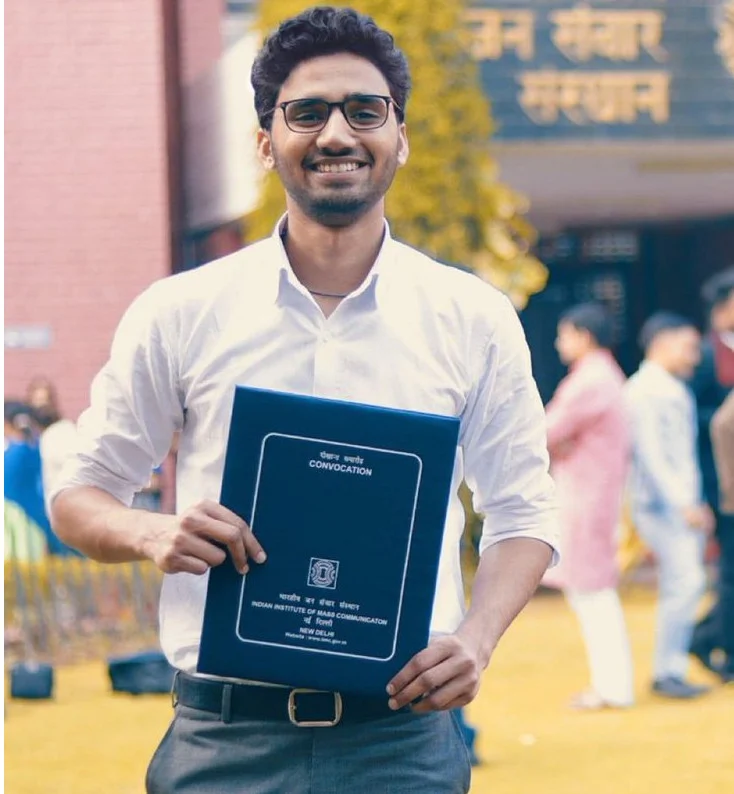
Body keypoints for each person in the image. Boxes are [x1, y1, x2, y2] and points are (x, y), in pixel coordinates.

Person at [50, 8, 558, 793]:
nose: (336, 134)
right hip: (225, 743)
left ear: (401, 137)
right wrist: (152, 532)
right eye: (306, 112)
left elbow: (524, 512)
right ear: (265, 142)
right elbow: (79, 496)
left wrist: (479, 639)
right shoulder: (181, 311)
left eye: (365, 111)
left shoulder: (472, 318)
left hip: (400, 744)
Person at [543, 303, 634, 709]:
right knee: (592, 590)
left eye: (564, 333)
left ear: (583, 335)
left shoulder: (590, 380)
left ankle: (612, 686)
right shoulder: (602, 376)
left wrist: (557, 443)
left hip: (585, 495)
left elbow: (546, 430)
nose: (559, 342)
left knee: (592, 591)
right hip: (591, 492)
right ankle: (611, 684)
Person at [625, 312, 715, 699]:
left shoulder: (670, 387)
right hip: (661, 505)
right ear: (661, 343)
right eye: (688, 347)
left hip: (680, 504)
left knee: (686, 583)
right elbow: (651, 454)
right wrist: (682, 504)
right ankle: (667, 671)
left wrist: (694, 502)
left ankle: (671, 668)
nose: (695, 357)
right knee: (686, 582)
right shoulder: (644, 390)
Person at [689, 268, 734, 679]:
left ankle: (704, 637)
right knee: (730, 573)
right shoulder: (704, 355)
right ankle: (710, 642)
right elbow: (694, 418)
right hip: (719, 481)